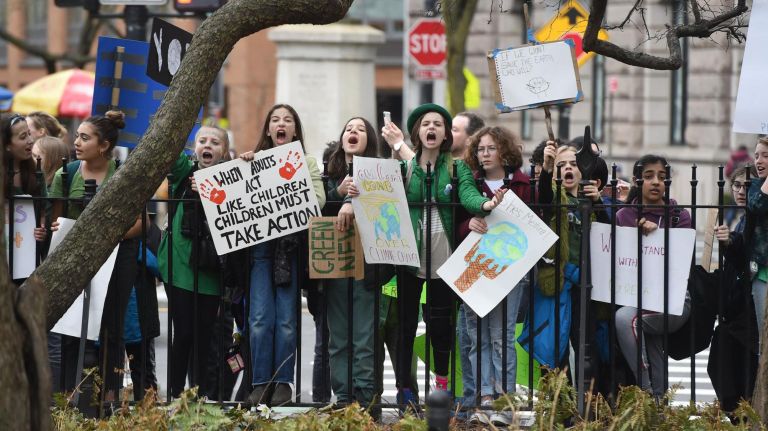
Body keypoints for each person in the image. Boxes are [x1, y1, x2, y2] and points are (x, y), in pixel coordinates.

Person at [380, 103, 505, 406]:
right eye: (426, 124)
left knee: (441, 326)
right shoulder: (403, 167)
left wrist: (486, 206)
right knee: (406, 326)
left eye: (438, 124)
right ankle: (404, 389)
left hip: (444, 260)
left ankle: (442, 384)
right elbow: (382, 196)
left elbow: (467, 194)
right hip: (409, 260)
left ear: (445, 133)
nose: (431, 128)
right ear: (417, 133)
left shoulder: (455, 166)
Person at [49, 110, 143, 410]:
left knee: (111, 328)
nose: (76, 142)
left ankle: (108, 398)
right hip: (75, 261)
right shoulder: (68, 173)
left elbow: (140, 225)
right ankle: (71, 396)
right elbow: (56, 218)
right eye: (77, 136)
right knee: (72, 329)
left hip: (118, 259)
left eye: (84, 138)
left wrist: (104, 234)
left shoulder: (123, 173)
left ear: (103, 146)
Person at [242, 104, 326, 406]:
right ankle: (261, 382)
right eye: (276, 120)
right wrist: (246, 166)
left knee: (287, 322)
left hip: (289, 251)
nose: (281, 124)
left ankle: (282, 383)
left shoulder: (308, 163)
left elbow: (317, 200)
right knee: (259, 320)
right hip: (261, 253)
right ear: (268, 130)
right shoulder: (253, 162)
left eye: (287, 120)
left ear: (294, 131)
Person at [460, 126, 529, 426]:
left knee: (501, 336)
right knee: (477, 336)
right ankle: (484, 397)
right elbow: (457, 225)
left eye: (490, 148)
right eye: (480, 150)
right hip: (475, 269)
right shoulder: (470, 184)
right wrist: (470, 224)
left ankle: (504, 398)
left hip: (508, 270)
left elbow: (533, 221)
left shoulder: (523, 184)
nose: (484, 154)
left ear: (504, 151)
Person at [158, 125, 230, 398]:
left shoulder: (231, 178)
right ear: (194, 147)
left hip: (211, 270)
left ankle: (198, 397)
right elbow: (169, 143)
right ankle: (176, 395)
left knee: (204, 338)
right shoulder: (183, 172)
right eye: (202, 141)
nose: (207, 145)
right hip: (179, 266)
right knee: (184, 333)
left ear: (223, 151)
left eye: (215, 142)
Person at [614, 154, 692, 397]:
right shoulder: (624, 215)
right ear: (638, 181)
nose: (656, 182)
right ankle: (659, 403)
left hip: (673, 300)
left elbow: (681, 263)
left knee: (626, 319)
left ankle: (646, 393)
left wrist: (658, 235)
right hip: (638, 296)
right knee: (651, 342)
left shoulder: (680, 215)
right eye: (649, 177)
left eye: (662, 177)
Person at [323, 117, 381, 409]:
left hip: (367, 266)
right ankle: (343, 397)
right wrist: (338, 195)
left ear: (369, 139)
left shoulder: (380, 174)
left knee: (363, 337)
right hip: (334, 265)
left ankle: (365, 398)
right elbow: (316, 211)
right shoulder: (329, 175)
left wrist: (353, 203)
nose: (353, 132)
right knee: (339, 338)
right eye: (348, 129)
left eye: (360, 129)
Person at [710, 165, 759, 413]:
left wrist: (731, 242)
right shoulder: (742, 218)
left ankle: (742, 413)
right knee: (723, 358)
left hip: (751, 306)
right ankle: (739, 412)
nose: (741, 191)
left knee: (738, 364)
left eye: (748, 186)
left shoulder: (756, 217)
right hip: (737, 307)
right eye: (737, 185)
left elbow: (748, 256)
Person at [747, 137, 768, 342]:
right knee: (766, 341)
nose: (759, 161)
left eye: (765, 156)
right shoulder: (755, 186)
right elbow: (756, 206)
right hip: (763, 273)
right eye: (756, 156)